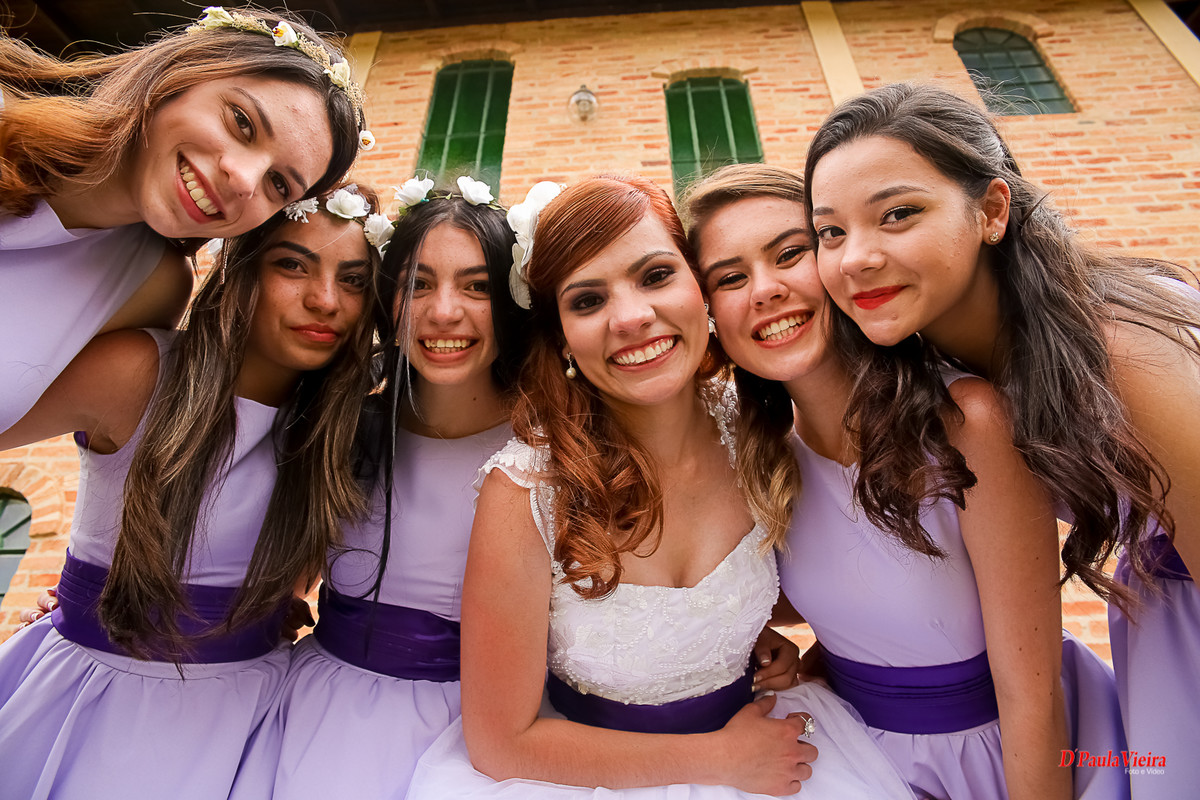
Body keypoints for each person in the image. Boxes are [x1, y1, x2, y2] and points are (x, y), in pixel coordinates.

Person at [405, 174, 918, 799]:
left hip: (774, 747)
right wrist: (718, 761)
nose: (631, 317)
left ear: (698, 288)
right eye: (587, 301)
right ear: (561, 335)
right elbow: (500, 742)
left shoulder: (759, 428)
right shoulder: (527, 489)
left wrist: (750, 634)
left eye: (654, 276)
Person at [804, 82, 1199, 798]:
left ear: (991, 211)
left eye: (897, 214)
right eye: (830, 232)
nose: (854, 257)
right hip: (1160, 641)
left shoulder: (1124, 353)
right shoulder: (946, 379)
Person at [686, 163, 1128, 800]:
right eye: (730, 278)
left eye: (791, 254)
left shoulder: (966, 424)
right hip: (858, 757)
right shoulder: (764, 462)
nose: (764, 290)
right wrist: (768, 644)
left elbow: (1030, 696)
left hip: (1011, 753)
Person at [0, 182, 382, 799]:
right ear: (241, 268)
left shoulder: (341, 437)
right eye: (292, 265)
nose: (325, 300)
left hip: (252, 715)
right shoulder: (139, 373)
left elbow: (290, 593)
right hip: (98, 700)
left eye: (355, 279)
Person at [230, 177, 531, 798]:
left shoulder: (549, 453)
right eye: (418, 284)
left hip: (481, 734)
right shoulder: (340, 429)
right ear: (387, 300)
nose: (444, 312)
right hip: (319, 716)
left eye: (476, 286)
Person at [0, 5, 372, 433]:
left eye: (279, 184)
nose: (244, 180)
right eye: (241, 122)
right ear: (179, 74)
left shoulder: (152, 288)